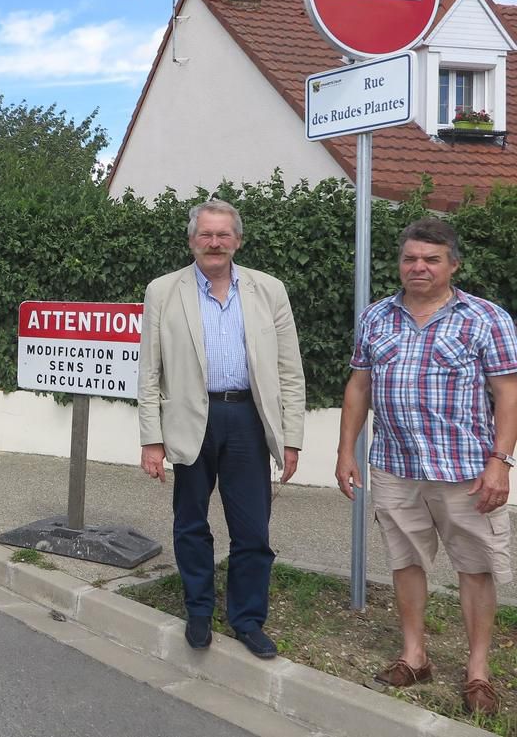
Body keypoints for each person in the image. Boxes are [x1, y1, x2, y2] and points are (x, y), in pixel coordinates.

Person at [336, 217, 517, 715]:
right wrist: (345, 450)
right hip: (395, 466)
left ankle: (478, 672)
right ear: (400, 263)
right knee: (405, 561)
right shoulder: (376, 317)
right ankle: (414, 656)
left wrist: (501, 462)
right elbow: (359, 386)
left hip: (467, 471)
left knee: (477, 567)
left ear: (453, 265)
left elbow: (508, 394)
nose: (419, 267)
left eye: (431, 259)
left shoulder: (486, 319)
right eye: (410, 258)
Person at [138, 199, 306, 659]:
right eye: (206, 235)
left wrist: (291, 438)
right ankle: (198, 609)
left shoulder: (268, 290)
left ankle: (248, 619)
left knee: (253, 529)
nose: (214, 243)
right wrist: (151, 439)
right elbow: (149, 371)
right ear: (192, 240)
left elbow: (290, 370)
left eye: (223, 235)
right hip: (191, 419)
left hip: (248, 420)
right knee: (191, 523)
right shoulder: (163, 291)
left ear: (238, 240)